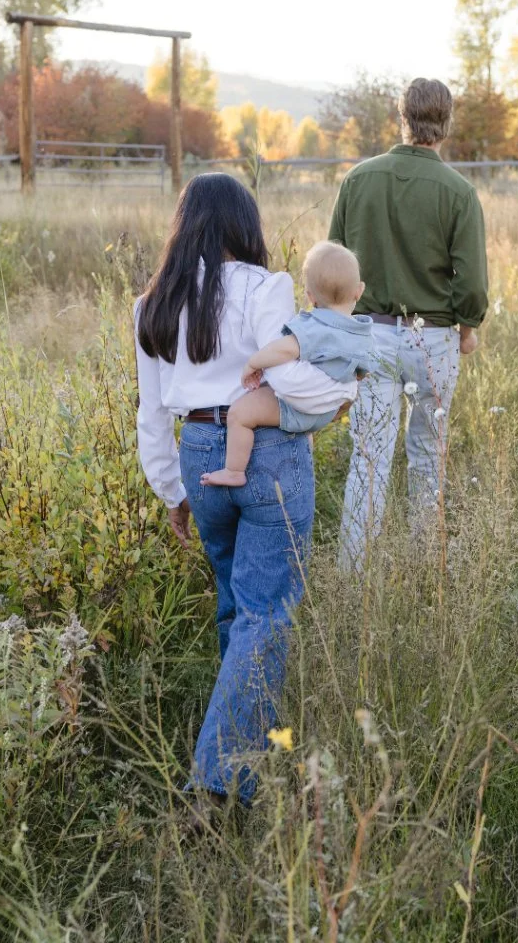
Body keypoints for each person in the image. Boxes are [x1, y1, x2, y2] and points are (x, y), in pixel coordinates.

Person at [134, 173, 352, 810]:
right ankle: (214, 784)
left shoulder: (153, 303)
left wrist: (171, 489)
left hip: (198, 454)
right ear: (243, 226)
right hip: (266, 454)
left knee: (238, 609)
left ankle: (245, 766)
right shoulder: (265, 286)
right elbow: (290, 371)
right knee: (268, 612)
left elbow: (151, 412)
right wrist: (338, 399)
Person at [328, 77, 488, 570]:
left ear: (401, 116)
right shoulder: (458, 192)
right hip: (433, 339)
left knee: (369, 460)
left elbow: (333, 264)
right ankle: (425, 569)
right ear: (447, 123)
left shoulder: (359, 179)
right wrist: (468, 327)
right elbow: (473, 282)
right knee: (426, 456)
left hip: (369, 335)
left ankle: (354, 579)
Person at [201, 241, 372, 488]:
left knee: (240, 414)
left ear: (310, 296)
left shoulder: (315, 325)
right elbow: (361, 372)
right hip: (329, 411)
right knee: (303, 430)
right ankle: (304, 464)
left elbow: (285, 349)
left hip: (299, 404)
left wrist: (254, 362)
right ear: (359, 291)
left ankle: (233, 470)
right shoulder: (362, 332)